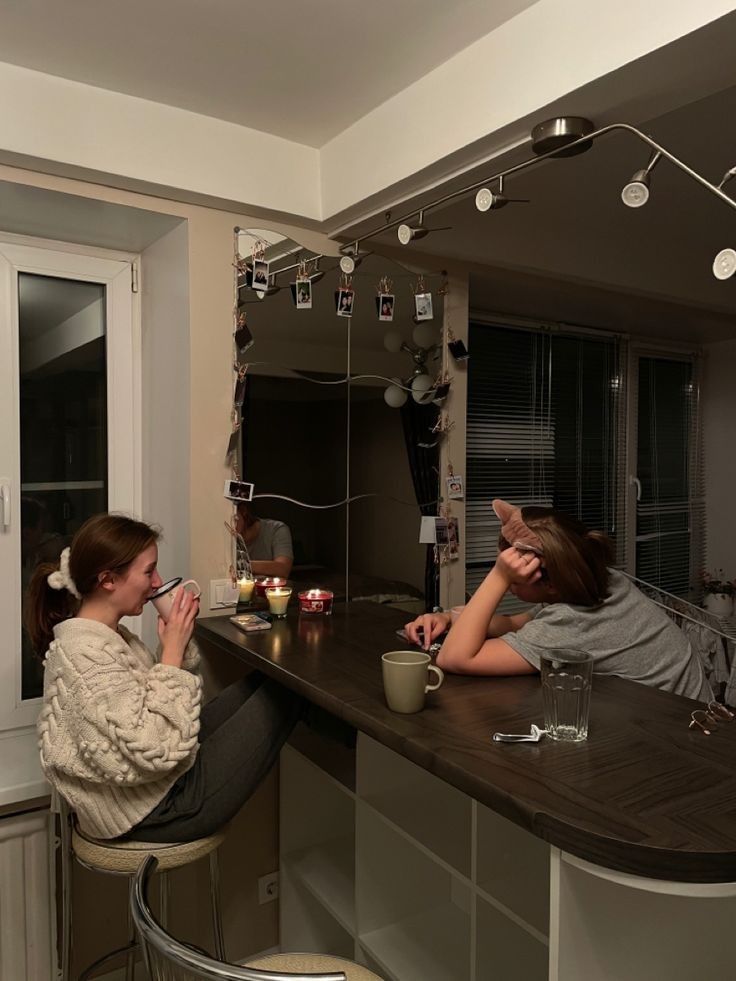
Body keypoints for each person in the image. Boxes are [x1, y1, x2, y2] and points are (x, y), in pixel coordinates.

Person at [30, 513, 301, 842]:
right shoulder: (86, 658)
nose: (158, 582)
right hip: (155, 810)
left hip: (154, 784)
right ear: (108, 580)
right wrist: (170, 655)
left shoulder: (109, 638)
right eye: (148, 571)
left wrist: (177, 646)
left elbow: (168, 714)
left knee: (266, 681)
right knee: (290, 689)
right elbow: (154, 745)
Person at [405, 500, 712, 702]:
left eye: (515, 576)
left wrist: (498, 577)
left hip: (684, 732)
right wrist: (447, 618)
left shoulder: (573, 624)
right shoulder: (597, 579)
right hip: (679, 710)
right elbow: (513, 623)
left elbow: (455, 658)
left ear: (550, 586)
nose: (508, 583)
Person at [234, 502, 293, 578]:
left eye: (233, 516)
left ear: (243, 511)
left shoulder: (276, 530)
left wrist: (241, 565)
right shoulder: (223, 537)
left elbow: (283, 569)